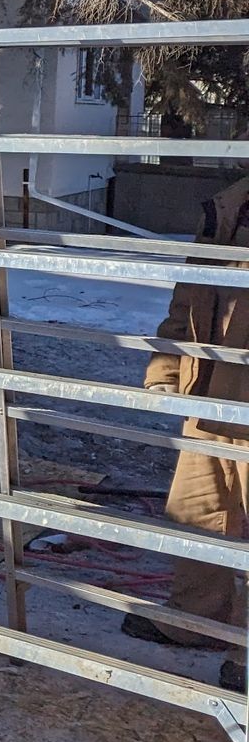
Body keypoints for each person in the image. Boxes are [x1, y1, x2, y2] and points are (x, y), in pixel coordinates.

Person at [121, 173, 249, 690]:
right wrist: (168, 368)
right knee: (197, 512)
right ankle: (197, 618)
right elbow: (189, 295)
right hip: (212, 389)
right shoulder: (229, 205)